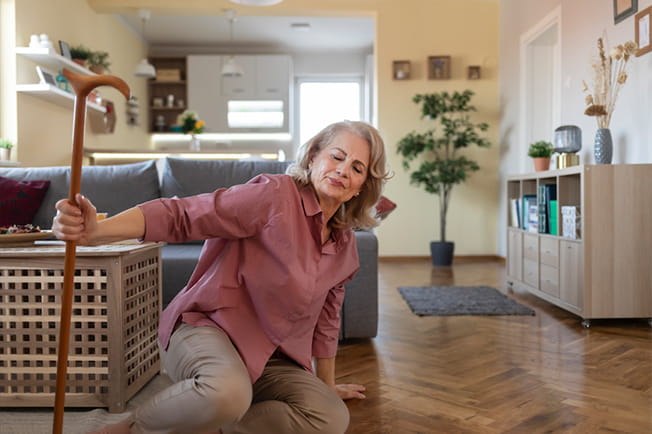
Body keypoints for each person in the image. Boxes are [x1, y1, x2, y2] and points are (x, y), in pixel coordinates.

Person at [52, 120, 391, 434]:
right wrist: (98, 231)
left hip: (272, 358)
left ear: (362, 187)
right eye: (337, 156)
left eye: (357, 168)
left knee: (329, 417)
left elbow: (327, 323)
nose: (343, 170)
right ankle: (130, 429)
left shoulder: (345, 246)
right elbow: (183, 215)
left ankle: (207, 424)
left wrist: (327, 385)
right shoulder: (274, 195)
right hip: (207, 330)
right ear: (315, 157)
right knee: (227, 393)